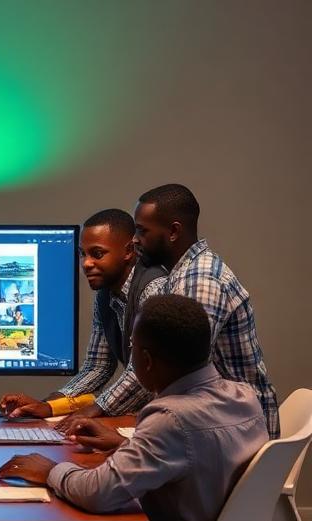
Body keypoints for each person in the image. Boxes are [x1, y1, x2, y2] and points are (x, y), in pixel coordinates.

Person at [0, 294, 268, 521]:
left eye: (132, 347)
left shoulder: (170, 418)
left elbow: (97, 493)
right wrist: (124, 444)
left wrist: (49, 470)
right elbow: (195, 456)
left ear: (146, 360)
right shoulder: (244, 397)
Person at [80, 184, 279, 438]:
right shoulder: (182, 274)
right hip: (220, 421)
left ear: (173, 231)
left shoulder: (200, 279)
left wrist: (103, 414)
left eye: (142, 231)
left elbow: (175, 369)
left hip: (241, 429)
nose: (135, 240)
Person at [0, 209, 165, 419]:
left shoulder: (153, 289)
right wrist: (48, 405)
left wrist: (90, 411)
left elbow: (141, 375)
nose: (86, 263)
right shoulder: (105, 294)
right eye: (82, 254)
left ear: (129, 251)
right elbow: (98, 366)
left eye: (97, 254)